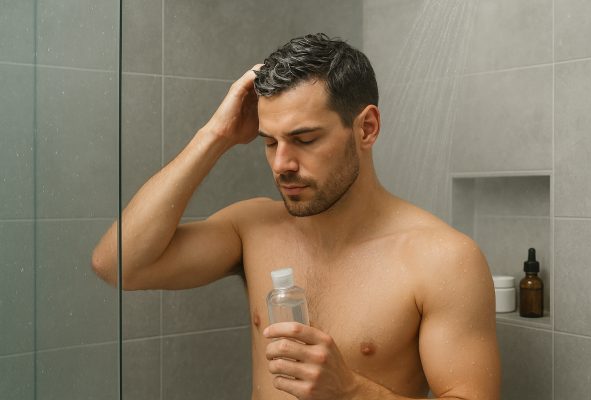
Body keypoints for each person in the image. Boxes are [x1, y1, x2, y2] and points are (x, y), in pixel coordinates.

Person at [92, 33, 500, 400]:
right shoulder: (252, 227)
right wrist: (216, 134)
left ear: (367, 128)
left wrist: (351, 391)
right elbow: (118, 265)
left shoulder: (442, 259)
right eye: (270, 142)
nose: (281, 163)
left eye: (304, 139)